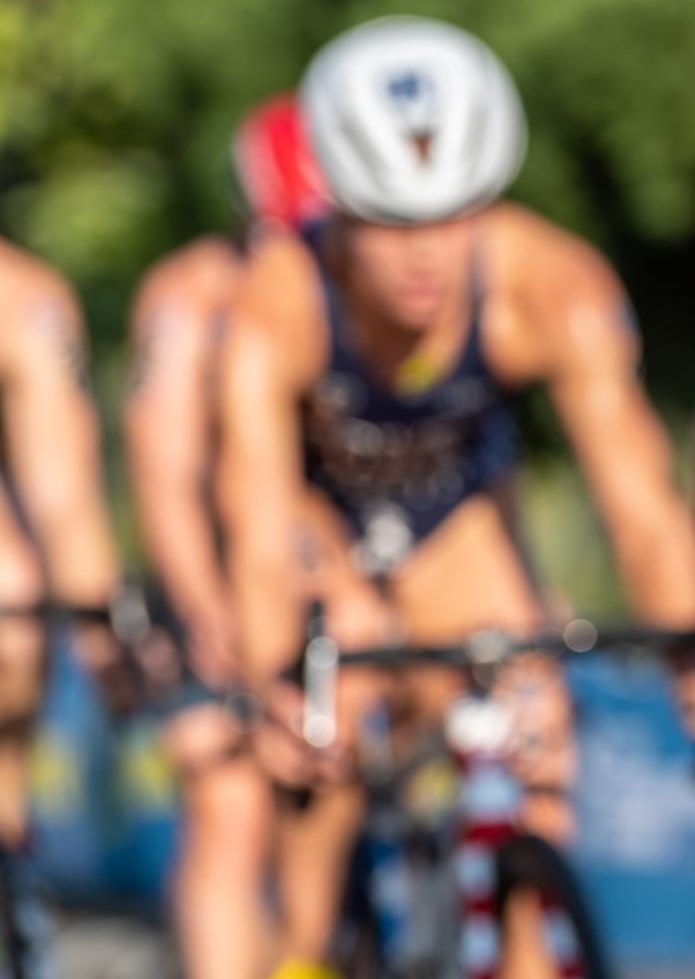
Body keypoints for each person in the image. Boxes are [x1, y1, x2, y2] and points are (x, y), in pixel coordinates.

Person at [218, 16, 695, 975]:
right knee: (329, 708)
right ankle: (304, 941)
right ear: (337, 210)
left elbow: (639, 502)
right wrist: (278, 685)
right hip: (316, 516)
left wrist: (694, 652)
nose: (426, 254)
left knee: (532, 713)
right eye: (390, 221)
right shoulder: (277, 299)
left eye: (455, 215)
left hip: (452, 515)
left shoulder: (551, 286)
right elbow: (255, 529)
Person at [125, 93, 329, 979]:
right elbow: (164, 473)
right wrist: (202, 604)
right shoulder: (186, 296)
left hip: (318, 571)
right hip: (208, 566)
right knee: (228, 802)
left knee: (335, 778)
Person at [0, 240, 125, 903]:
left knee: (10, 598)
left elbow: (65, 501)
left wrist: (104, 627)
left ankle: (9, 829)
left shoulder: (24, 300)